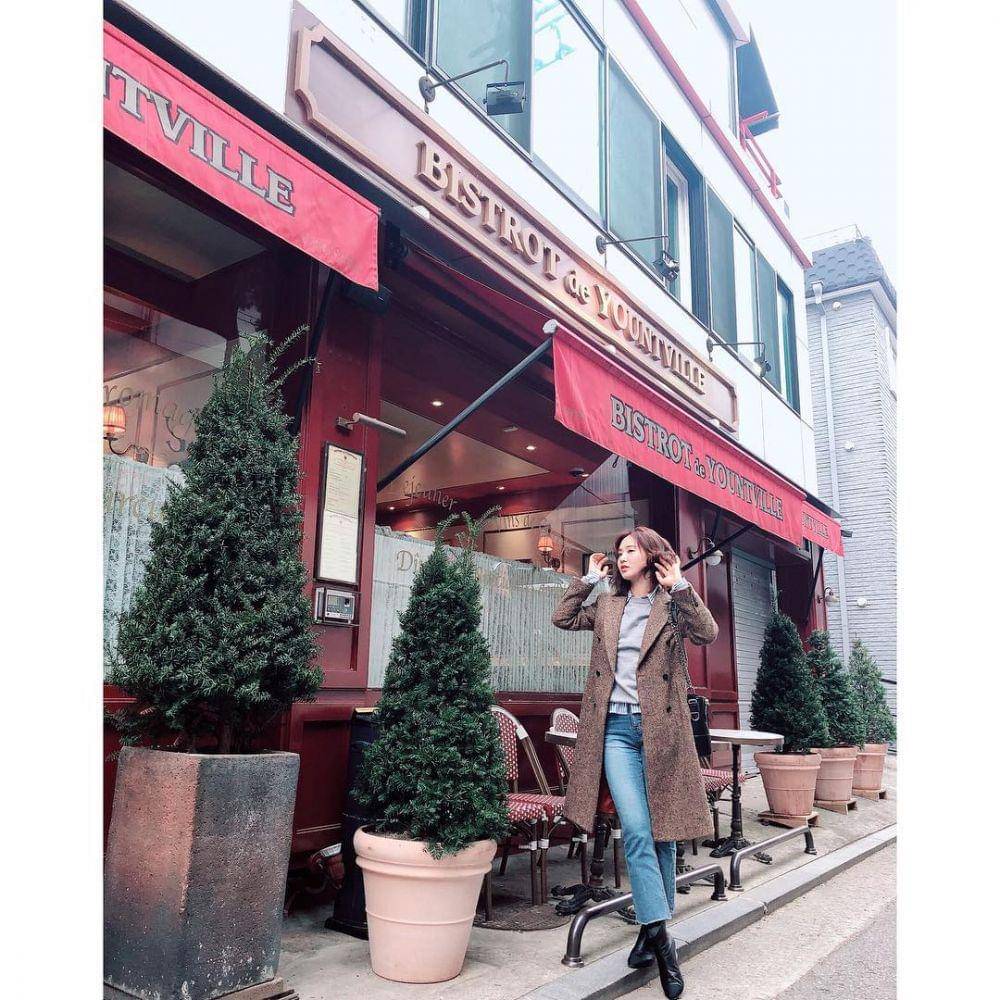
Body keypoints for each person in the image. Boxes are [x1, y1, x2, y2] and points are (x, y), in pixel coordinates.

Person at [552, 526, 718, 999]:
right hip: (615, 732)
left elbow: (707, 633)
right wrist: (587, 580)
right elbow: (562, 617)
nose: (621, 557)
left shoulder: (671, 604)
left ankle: (649, 931)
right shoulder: (608, 605)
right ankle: (665, 947)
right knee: (640, 831)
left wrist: (680, 585)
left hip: (661, 731)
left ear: (651, 556)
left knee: (663, 834)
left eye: (630, 550)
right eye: (619, 551)